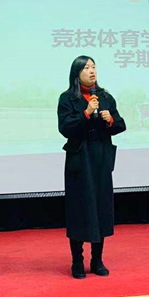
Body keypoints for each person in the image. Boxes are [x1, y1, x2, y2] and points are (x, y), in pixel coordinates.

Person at [58, 56, 126, 279]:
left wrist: (110, 119)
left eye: (94, 67)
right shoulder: (67, 98)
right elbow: (65, 127)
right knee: (79, 208)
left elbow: (121, 124)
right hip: (80, 158)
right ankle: (77, 261)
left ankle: (97, 260)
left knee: (101, 207)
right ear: (77, 73)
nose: (92, 71)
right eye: (86, 67)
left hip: (101, 157)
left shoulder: (105, 97)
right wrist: (86, 113)